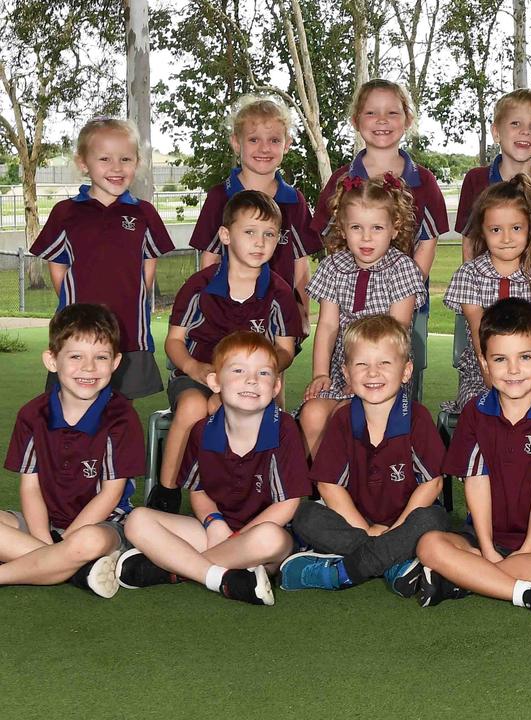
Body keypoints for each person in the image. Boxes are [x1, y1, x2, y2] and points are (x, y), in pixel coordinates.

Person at [414, 299, 531, 621]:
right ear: (484, 363)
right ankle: (528, 593)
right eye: (500, 359)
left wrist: (530, 547)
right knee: (429, 545)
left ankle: (461, 580)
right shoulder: (474, 413)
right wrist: (489, 549)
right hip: (481, 540)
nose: (514, 370)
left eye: (525, 357)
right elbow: (475, 483)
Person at [118, 332, 310, 606]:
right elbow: (199, 491)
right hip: (215, 532)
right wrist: (213, 522)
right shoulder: (203, 430)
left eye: (264, 373)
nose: (251, 380)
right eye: (238, 370)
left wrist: (237, 538)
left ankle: (172, 570)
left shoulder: (284, 428)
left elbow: (287, 504)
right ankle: (224, 579)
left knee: (269, 539)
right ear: (214, 382)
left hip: (262, 538)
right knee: (138, 520)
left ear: (276, 386)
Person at [148, 190, 303, 513]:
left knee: (234, 407)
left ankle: (250, 496)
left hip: (249, 382)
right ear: (225, 235)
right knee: (193, 407)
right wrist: (194, 368)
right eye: (250, 232)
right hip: (199, 374)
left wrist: (259, 368)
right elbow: (174, 341)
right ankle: (166, 492)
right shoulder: (200, 287)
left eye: (269, 234)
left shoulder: (280, 293)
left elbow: (285, 350)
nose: (260, 242)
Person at [278, 316, 450, 595]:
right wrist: (367, 532)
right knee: (306, 515)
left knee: (433, 520)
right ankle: (395, 564)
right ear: (346, 374)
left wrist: (395, 530)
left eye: (384, 363)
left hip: (407, 521)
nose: (373, 373)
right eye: (362, 365)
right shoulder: (343, 418)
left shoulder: (417, 417)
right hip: (356, 523)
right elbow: (328, 485)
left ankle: (341, 573)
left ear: (406, 371)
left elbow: (433, 484)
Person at [1, 305, 142, 598]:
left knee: (86, 543)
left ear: (115, 362)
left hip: (104, 524)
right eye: (76, 356)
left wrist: (65, 541)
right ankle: (76, 570)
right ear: (52, 360)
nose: (89, 368)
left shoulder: (121, 416)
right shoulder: (32, 414)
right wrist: (46, 541)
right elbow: (30, 488)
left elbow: (110, 494)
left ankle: (18, 571)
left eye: (100, 357)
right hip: (45, 524)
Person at [31, 118, 174, 400]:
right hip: (78, 332)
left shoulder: (144, 214)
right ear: (83, 163)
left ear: (137, 162)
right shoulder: (66, 212)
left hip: (128, 335)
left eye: (125, 159)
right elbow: (58, 267)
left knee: (120, 407)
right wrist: (78, 310)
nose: (116, 168)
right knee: (73, 402)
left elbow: (147, 270)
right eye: (105, 159)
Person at [298, 174, 427, 455]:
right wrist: (321, 373)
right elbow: (328, 326)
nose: (366, 237)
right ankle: (324, 488)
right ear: (343, 229)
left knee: (348, 415)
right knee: (312, 414)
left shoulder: (402, 268)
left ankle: (358, 487)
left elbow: (398, 331)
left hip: (383, 371)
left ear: (394, 229)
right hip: (341, 368)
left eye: (377, 228)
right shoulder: (333, 266)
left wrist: (363, 377)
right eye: (356, 227)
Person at [188, 94, 322, 324]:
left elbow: (301, 265)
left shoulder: (294, 201)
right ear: (236, 142)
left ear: (287, 144)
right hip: (228, 315)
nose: (264, 148)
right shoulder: (219, 197)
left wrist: (301, 312)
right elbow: (209, 259)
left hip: (276, 318)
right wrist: (208, 309)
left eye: (273, 140)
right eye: (253, 140)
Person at [442, 175, 531, 414]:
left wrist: (519, 377)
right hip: (481, 368)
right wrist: (490, 374)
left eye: (516, 228)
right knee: (479, 408)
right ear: (483, 231)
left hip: (530, 370)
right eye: (496, 229)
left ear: (530, 229)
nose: (507, 238)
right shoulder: (470, 274)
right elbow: (479, 332)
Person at [312, 79, 449, 280]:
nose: (382, 119)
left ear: (408, 120)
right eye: (371, 112)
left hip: (407, 299)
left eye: (392, 113)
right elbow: (330, 237)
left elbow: (427, 243)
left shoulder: (424, 181)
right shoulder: (341, 180)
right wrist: (348, 284)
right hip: (351, 300)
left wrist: (410, 291)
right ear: (355, 121)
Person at [455, 88, 531, 273]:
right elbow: (469, 242)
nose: (525, 132)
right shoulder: (475, 181)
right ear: (496, 132)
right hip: (487, 293)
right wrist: (472, 288)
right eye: (515, 123)